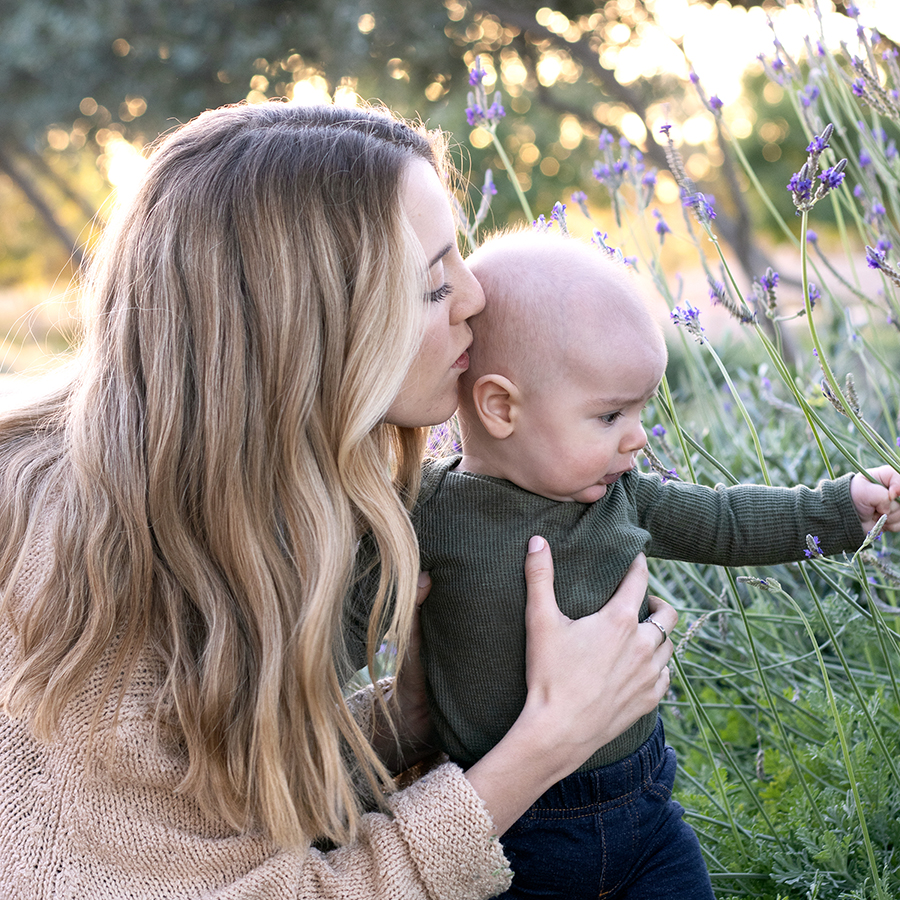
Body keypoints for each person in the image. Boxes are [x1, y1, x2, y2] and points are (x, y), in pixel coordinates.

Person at [0, 102, 680, 899]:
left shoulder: (240, 500)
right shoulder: (79, 577)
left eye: (459, 257)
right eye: (433, 286)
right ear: (313, 335)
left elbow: (212, 815)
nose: (475, 298)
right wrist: (543, 747)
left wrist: (409, 721)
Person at [352, 227, 900, 899]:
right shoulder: (426, 513)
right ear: (501, 407)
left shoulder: (624, 496)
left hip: (645, 816)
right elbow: (336, 619)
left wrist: (842, 508)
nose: (638, 437)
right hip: (506, 831)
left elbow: (726, 522)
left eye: (639, 410)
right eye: (610, 415)